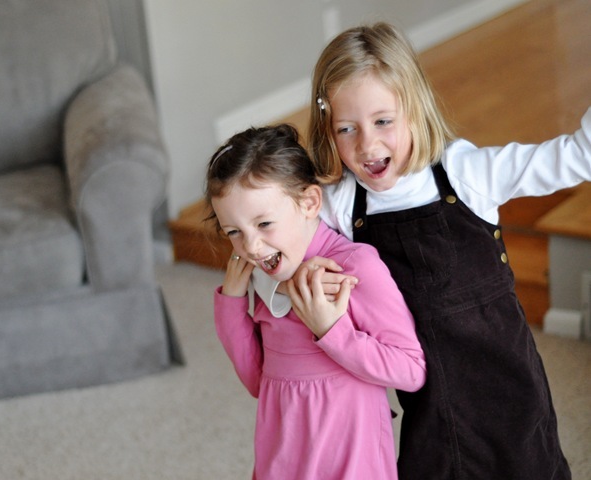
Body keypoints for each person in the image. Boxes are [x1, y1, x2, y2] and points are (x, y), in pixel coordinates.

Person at [253, 22, 590, 480]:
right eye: (346, 128)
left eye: (383, 121)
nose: (367, 144)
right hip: (426, 404)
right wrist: (296, 282)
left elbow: (575, 157)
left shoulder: (468, 173)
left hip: (507, 387)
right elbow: (272, 249)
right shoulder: (341, 204)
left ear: (414, 108)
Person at [206, 124, 426, 479]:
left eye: (264, 223)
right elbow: (258, 383)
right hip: (282, 463)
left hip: (351, 467)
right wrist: (232, 301)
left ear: (309, 203)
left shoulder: (354, 268)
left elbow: (411, 371)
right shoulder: (267, 275)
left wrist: (331, 330)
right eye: (234, 232)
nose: (252, 247)